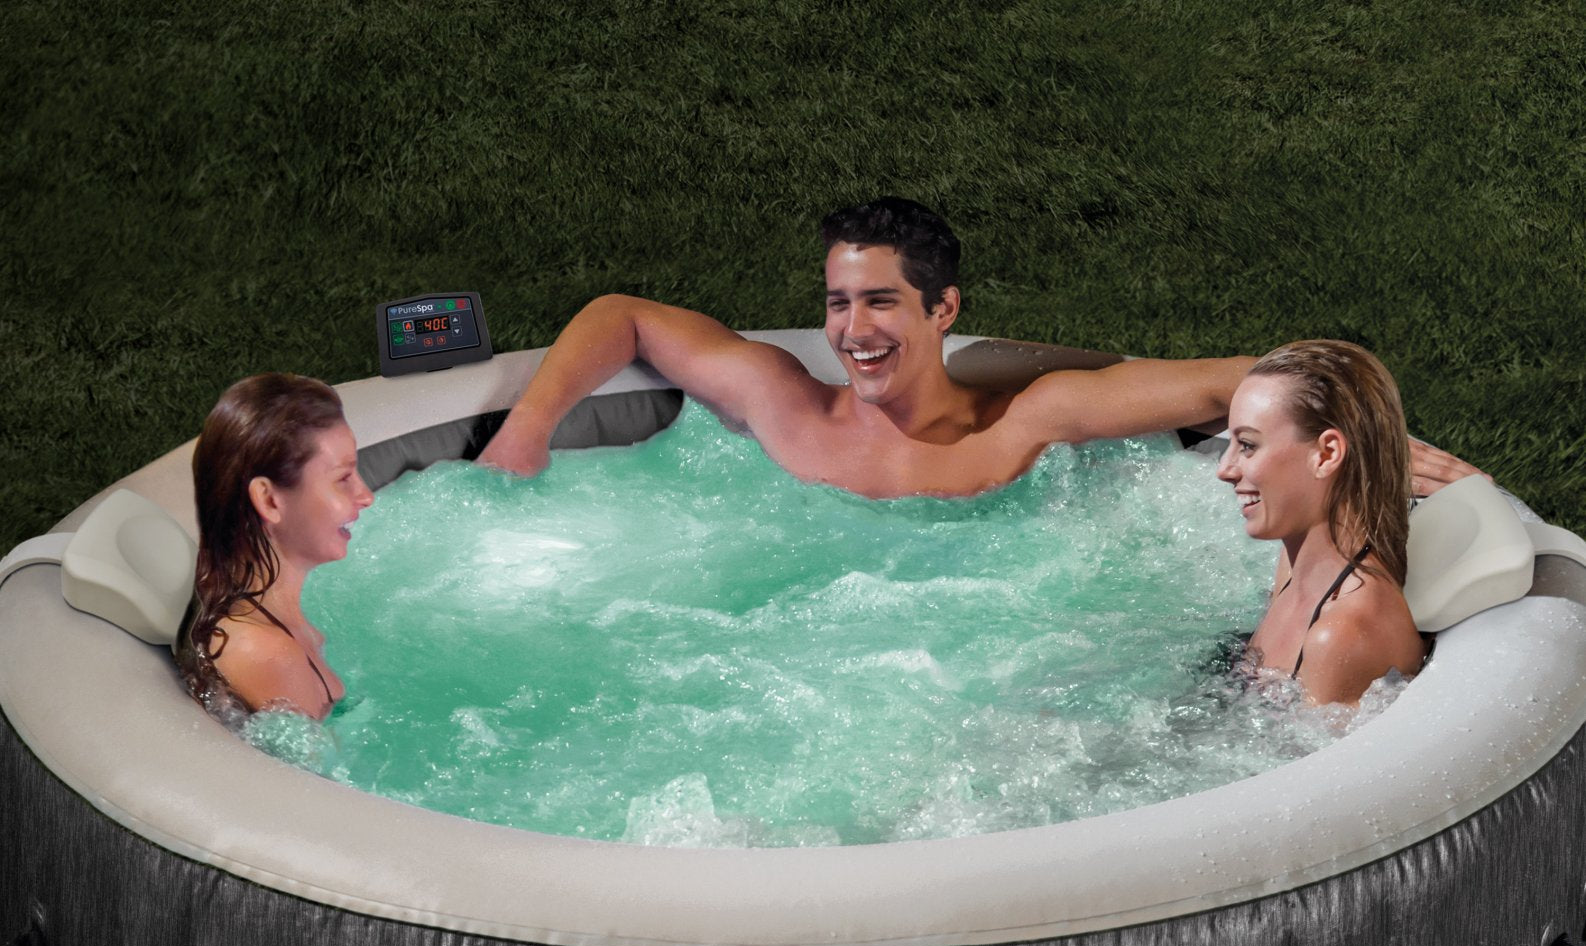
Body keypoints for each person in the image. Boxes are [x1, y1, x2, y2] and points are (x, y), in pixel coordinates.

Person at [478, 196, 1475, 499]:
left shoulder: (1021, 426)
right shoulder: (780, 402)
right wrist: (524, 436)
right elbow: (623, 314)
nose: (850, 332)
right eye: (835, 304)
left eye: (879, 304)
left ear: (941, 310)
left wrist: (1357, 433)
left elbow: (1250, 377)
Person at [1215, 340, 1427, 706]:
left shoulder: (1342, 634)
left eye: (1247, 445)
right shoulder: (1297, 564)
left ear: (1326, 454)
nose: (1224, 469)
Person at [177, 373, 374, 721]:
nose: (366, 496)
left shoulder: (262, 604)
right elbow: (318, 774)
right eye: (343, 478)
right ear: (269, 500)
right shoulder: (268, 653)